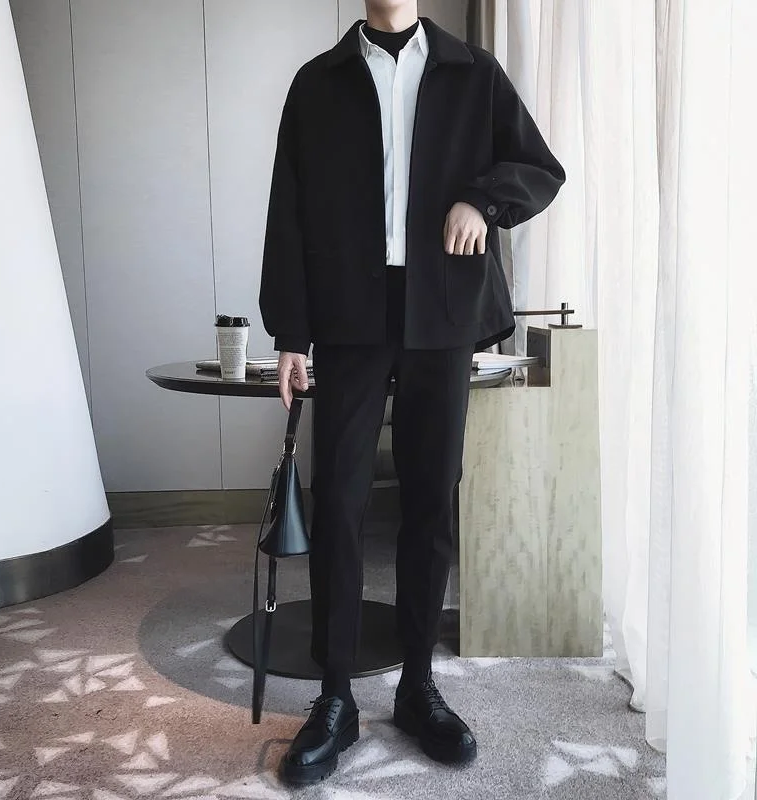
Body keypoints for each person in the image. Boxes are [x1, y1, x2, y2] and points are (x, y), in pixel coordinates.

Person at [259, 0, 564, 785]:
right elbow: (288, 210)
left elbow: (539, 168)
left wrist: (483, 200)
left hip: (443, 312)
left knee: (430, 499)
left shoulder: (473, 73)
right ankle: (335, 695)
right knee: (339, 502)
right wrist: (290, 331)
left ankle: (417, 686)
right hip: (349, 316)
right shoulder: (317, 84)